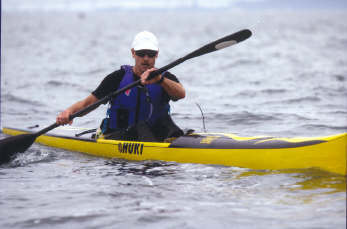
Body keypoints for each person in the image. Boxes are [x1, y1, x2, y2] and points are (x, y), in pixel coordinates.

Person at [56, 31, 185, 141]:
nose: (146, 58)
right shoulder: (117, 78)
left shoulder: (165, 78)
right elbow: (87, 104)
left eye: (150, 54)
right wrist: (68, 112)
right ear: (133, 53)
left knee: (168, 125)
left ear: (156, 54)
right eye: (141, 53)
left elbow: (181, 93)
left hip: (153, 136)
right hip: (118, 135)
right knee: (140, 128)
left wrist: (160, 80)